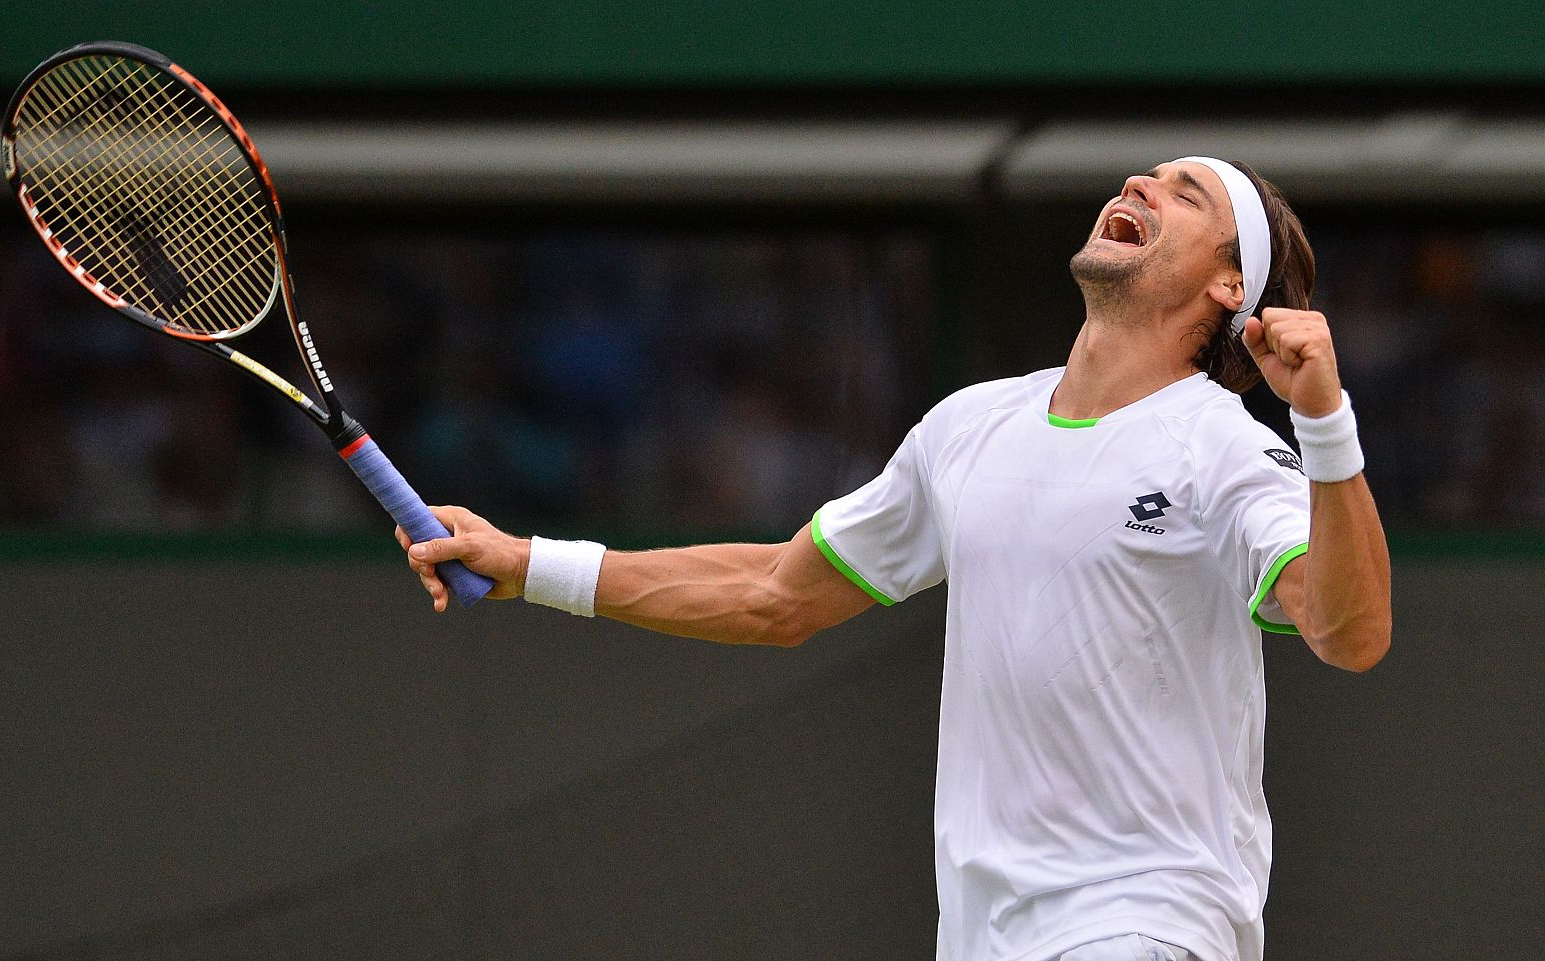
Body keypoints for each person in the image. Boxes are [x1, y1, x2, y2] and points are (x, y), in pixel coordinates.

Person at [396, 157, 1392, 961]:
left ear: (1230, 283)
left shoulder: (1223, 445)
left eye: (1185, 195)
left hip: (1148, 923)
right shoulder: (968, 427)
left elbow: (1348, 635)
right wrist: (529, 561)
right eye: (1144, 176)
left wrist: (1324, 425)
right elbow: (773, 594)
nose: (1138, 186)